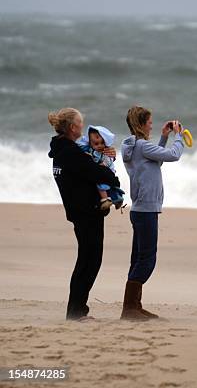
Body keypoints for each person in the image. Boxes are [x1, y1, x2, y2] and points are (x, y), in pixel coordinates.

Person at [47, 107, 120, 321]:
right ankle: (76, 311)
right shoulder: (70, 153)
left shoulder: (64, 150)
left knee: (87, 260)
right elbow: (97, 172)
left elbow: (91, 168)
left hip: (82, 212)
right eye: (80, 123)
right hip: (85, 213)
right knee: (89, 261)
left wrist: (108, 155)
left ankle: (77, 309)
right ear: (73, 128)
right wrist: (111, 176)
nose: (83, 126)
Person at [120, 106, 184, 320]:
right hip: (146, 210)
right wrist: (179, 136)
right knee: (147, 260)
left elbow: (154, 159)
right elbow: (173, 156)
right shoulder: (142, 146)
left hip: (140, 209)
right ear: (141, 123)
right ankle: (130, 308)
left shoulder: (133, 146)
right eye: (149, 121)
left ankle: (133, 306)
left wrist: (164, 137)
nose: (151, 125)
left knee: (137, 259)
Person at [76, 125, 125, 210]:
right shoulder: (90, 150)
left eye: (102, 143)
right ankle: (117, 199)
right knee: (110, 188)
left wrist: (102, 164)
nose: (100, 146)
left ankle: (105, 200)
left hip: (107, 170)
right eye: (96, 143)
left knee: (101, 184)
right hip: (103, 172)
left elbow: (107, 161)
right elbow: (80, 147)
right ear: (90, 143)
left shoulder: (105, 152)